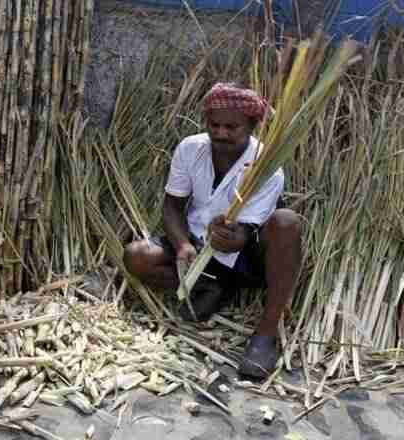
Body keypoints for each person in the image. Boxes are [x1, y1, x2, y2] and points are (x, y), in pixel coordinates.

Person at [123, 82, 302, 379]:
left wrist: (234, 238)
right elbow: (172, 208)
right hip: (197, 246)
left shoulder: (267, 165)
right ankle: (210, 287)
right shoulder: (190, 148)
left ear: (251, 126)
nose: (221, 133)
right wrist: (181, 245)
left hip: (245, 256)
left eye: (232, 127)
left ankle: (265, 335)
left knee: (287, 222)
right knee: (136, 256)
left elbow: (243, 235)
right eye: (214, 125)